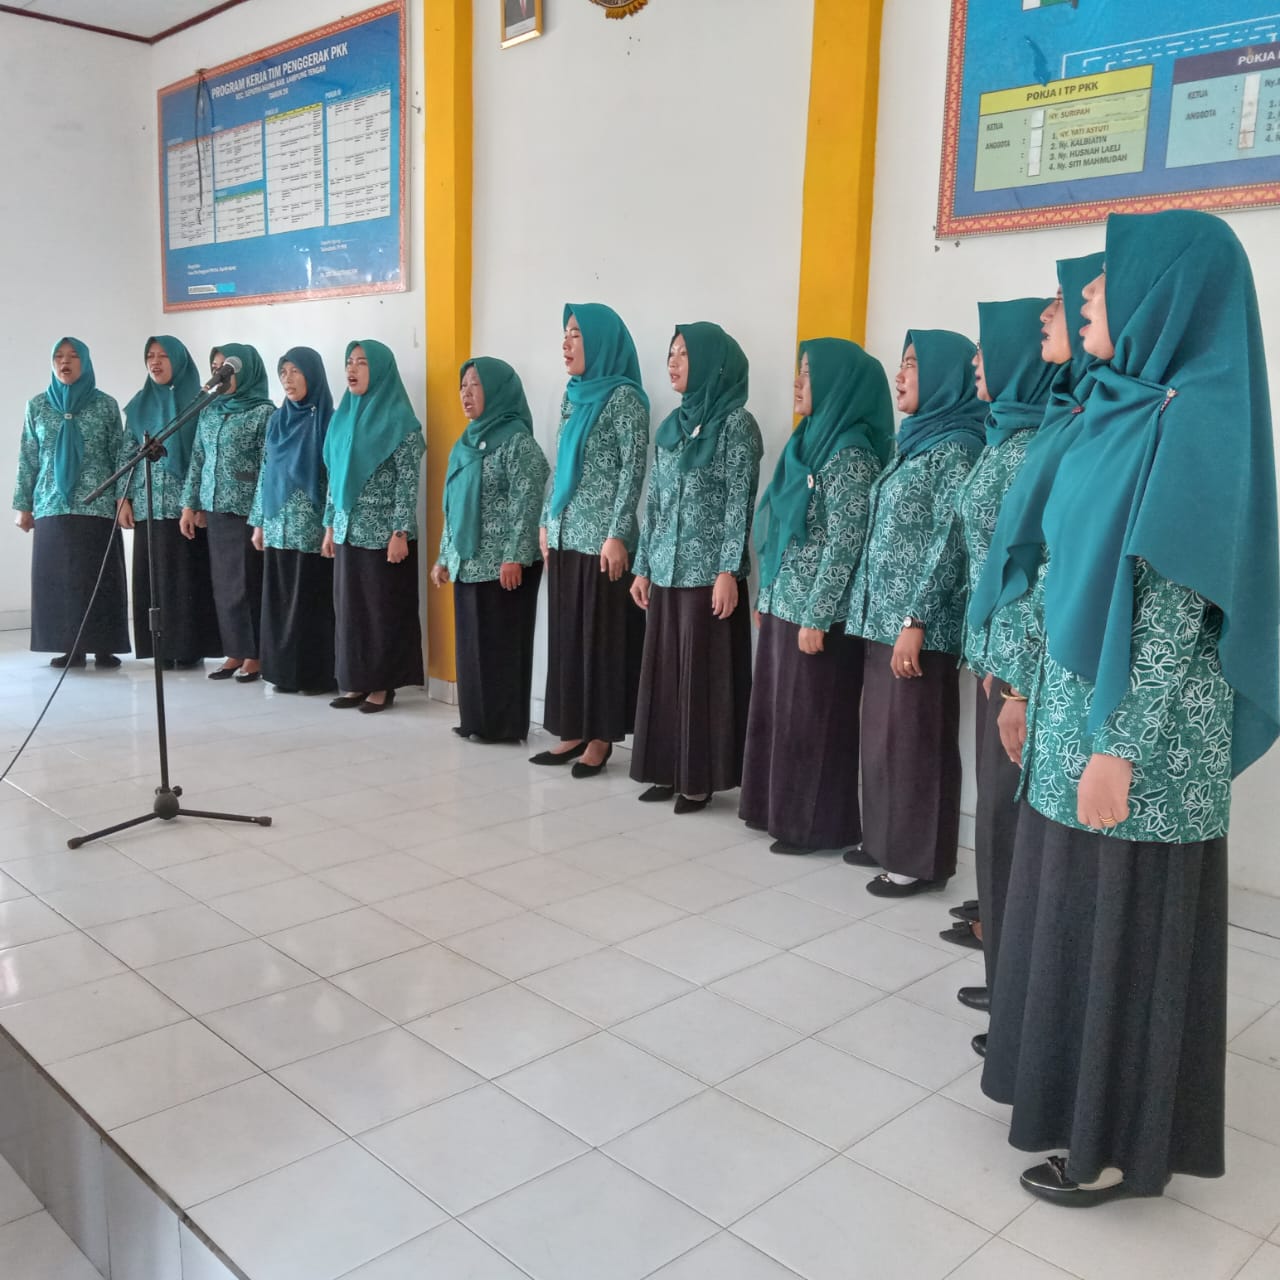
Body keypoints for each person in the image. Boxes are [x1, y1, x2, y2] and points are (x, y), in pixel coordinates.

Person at [977, 211, 1278, 1206]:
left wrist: (1118, 744)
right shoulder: (1118, 407)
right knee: (1071, 919)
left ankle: (1110, 1142)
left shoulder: (1197, 420)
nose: (1089, 294)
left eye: (1111, 277)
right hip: (1072, 724)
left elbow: (1170, 604)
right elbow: (1063, 572)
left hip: (1135, 750)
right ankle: (1065, 1101)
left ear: (1168, 290)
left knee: (1121, 936)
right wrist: (1026, 688)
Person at [954, 254, 1103, 1024]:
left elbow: (1046, 567)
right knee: (1005, 829)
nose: (1055, 315)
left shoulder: (1080, 432)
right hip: (1008, 658)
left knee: (1019, 833)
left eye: (1067, 302)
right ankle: (1011, 986)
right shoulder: (1053, 426)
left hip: (1039, 673)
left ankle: (1018, 995)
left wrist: (1013, 676)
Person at [840, 330, 986, 895]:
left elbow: (949, 541)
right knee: (882, 734)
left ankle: (916, 858)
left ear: (946, 377)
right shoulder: (918, 442)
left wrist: (916, 619)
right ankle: (882, 837)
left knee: (915, 740)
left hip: (920, 625)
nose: (899, 376)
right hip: (884, 618)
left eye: (910, 365)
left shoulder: (960, 448)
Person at [740, 339, 893, 853]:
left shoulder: (851, 455)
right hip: (786, 602)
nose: (798, 382)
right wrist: (767, 596)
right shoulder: (807, 441)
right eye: (799, 371)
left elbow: (845, 544)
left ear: (837, 382)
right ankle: (773, 809)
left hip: (820, 617)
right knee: (779, 713)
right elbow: (777, 525)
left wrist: (817, 615)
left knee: (814, 722)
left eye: (808, 373)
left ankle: (815, 825)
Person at [945, 299, 1056, 994]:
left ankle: (1013, 978)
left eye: (989, 350)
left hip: (1017, 657)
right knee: (998, 810)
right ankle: (1004, 960)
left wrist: (1012, 672)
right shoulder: (1005, 437)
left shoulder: (1033, 447)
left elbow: (1030, 567)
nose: (977, 364)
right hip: (995, 650)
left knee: (1009, 812)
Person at [629, 323, 763, 813]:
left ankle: (699, 779)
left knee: (702, 679)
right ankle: (666, 769)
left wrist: (730, 569)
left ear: (711, 362)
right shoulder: (673, 426)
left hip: (709, 576)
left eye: (684, 353)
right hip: (665, 571)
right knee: (664, 675)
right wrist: (642, 566)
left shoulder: (737, 425)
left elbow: (739, 503)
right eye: (671, 353)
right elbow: (656, 505)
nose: (674, 361)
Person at [533, 303, 649, 777]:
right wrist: (545, 520)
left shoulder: (626, 399)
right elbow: (562, 464)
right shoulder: (573, 396)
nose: (566, 343)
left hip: (603, 542)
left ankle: (601, 736)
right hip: (564, 536)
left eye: (576, 335)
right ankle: (572, 730)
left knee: (601, 641)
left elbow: (632, 470)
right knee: (568, 638)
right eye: (564, 334)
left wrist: (619, 532)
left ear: (600, 341)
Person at [432, 357, 549, 742]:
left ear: (498, 390)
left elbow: (527, 502)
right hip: (468, 561)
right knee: (471, 647)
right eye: (463, 385)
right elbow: (452, 505)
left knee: (501, 647)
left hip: (505, 567)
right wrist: (445, 558)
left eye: (475, 385)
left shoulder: (518, 442)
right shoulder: (464, 444)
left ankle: (503, 724)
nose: (466, 393)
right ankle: (476, 720)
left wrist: (514, 555)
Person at [12, 337, 129, 668]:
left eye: (73, 356)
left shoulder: (105, 404)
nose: (65, 361)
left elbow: (118, 453)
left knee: (100, 578)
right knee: (60, 580)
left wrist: (122, 498)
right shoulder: (37, 405)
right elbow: (28, 457)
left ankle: (105, 647)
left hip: (97, 504)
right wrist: (24, 506)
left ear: (86, 362)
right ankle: (70, 647)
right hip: (52, 505)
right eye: (59, 356)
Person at [322, 340, 425, 713]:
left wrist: (399, 532)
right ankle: (355, 681)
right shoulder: (341, 418)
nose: (353, 369)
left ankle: (382, 685)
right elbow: (335, 478)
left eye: (362, 363)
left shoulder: (402, 423)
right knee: (350, 611)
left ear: (380, 370)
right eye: (349, 362)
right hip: (349, 531)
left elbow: (407, 482)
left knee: (381, 611)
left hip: (385, 537)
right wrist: (330, 526)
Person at [118, 336, 222, 669]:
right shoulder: (138, 405)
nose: (156, 362)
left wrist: (198, 502)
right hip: (151, 508)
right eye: (150, 356)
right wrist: (125, 497)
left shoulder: (201, 402)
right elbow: (127, 454)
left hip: (188, 509)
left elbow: (205, 456)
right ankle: (159, 649)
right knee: (154, 580)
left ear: (179, 360)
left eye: (164, 356)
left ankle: (190, 647)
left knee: (186, 579)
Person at [180, 344, 274, 683]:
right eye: (216, 367)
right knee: (223, 585)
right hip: (215, 507)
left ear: (245, 370)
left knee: (246, 584)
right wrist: (190, 504)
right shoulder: (209, 410)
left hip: (246, 511)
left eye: (227, 368)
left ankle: (255, 654)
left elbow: (268, 468)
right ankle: (233, 651)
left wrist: (261, 516)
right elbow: (198, 459)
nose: (221, 373)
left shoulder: (264, 413)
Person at [249, 347, 336, 695]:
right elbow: (266, 472)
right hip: (277, 524)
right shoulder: (277, 420)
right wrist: (258, 521)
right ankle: (283, 673)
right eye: (283, 371)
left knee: (310, 603)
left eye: (295, 371)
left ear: (312, 374)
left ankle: (314, 675)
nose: (288, 379)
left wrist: (330, 525)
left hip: (312, 528)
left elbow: (334, 481)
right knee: (279, 603)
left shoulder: (328, 420)